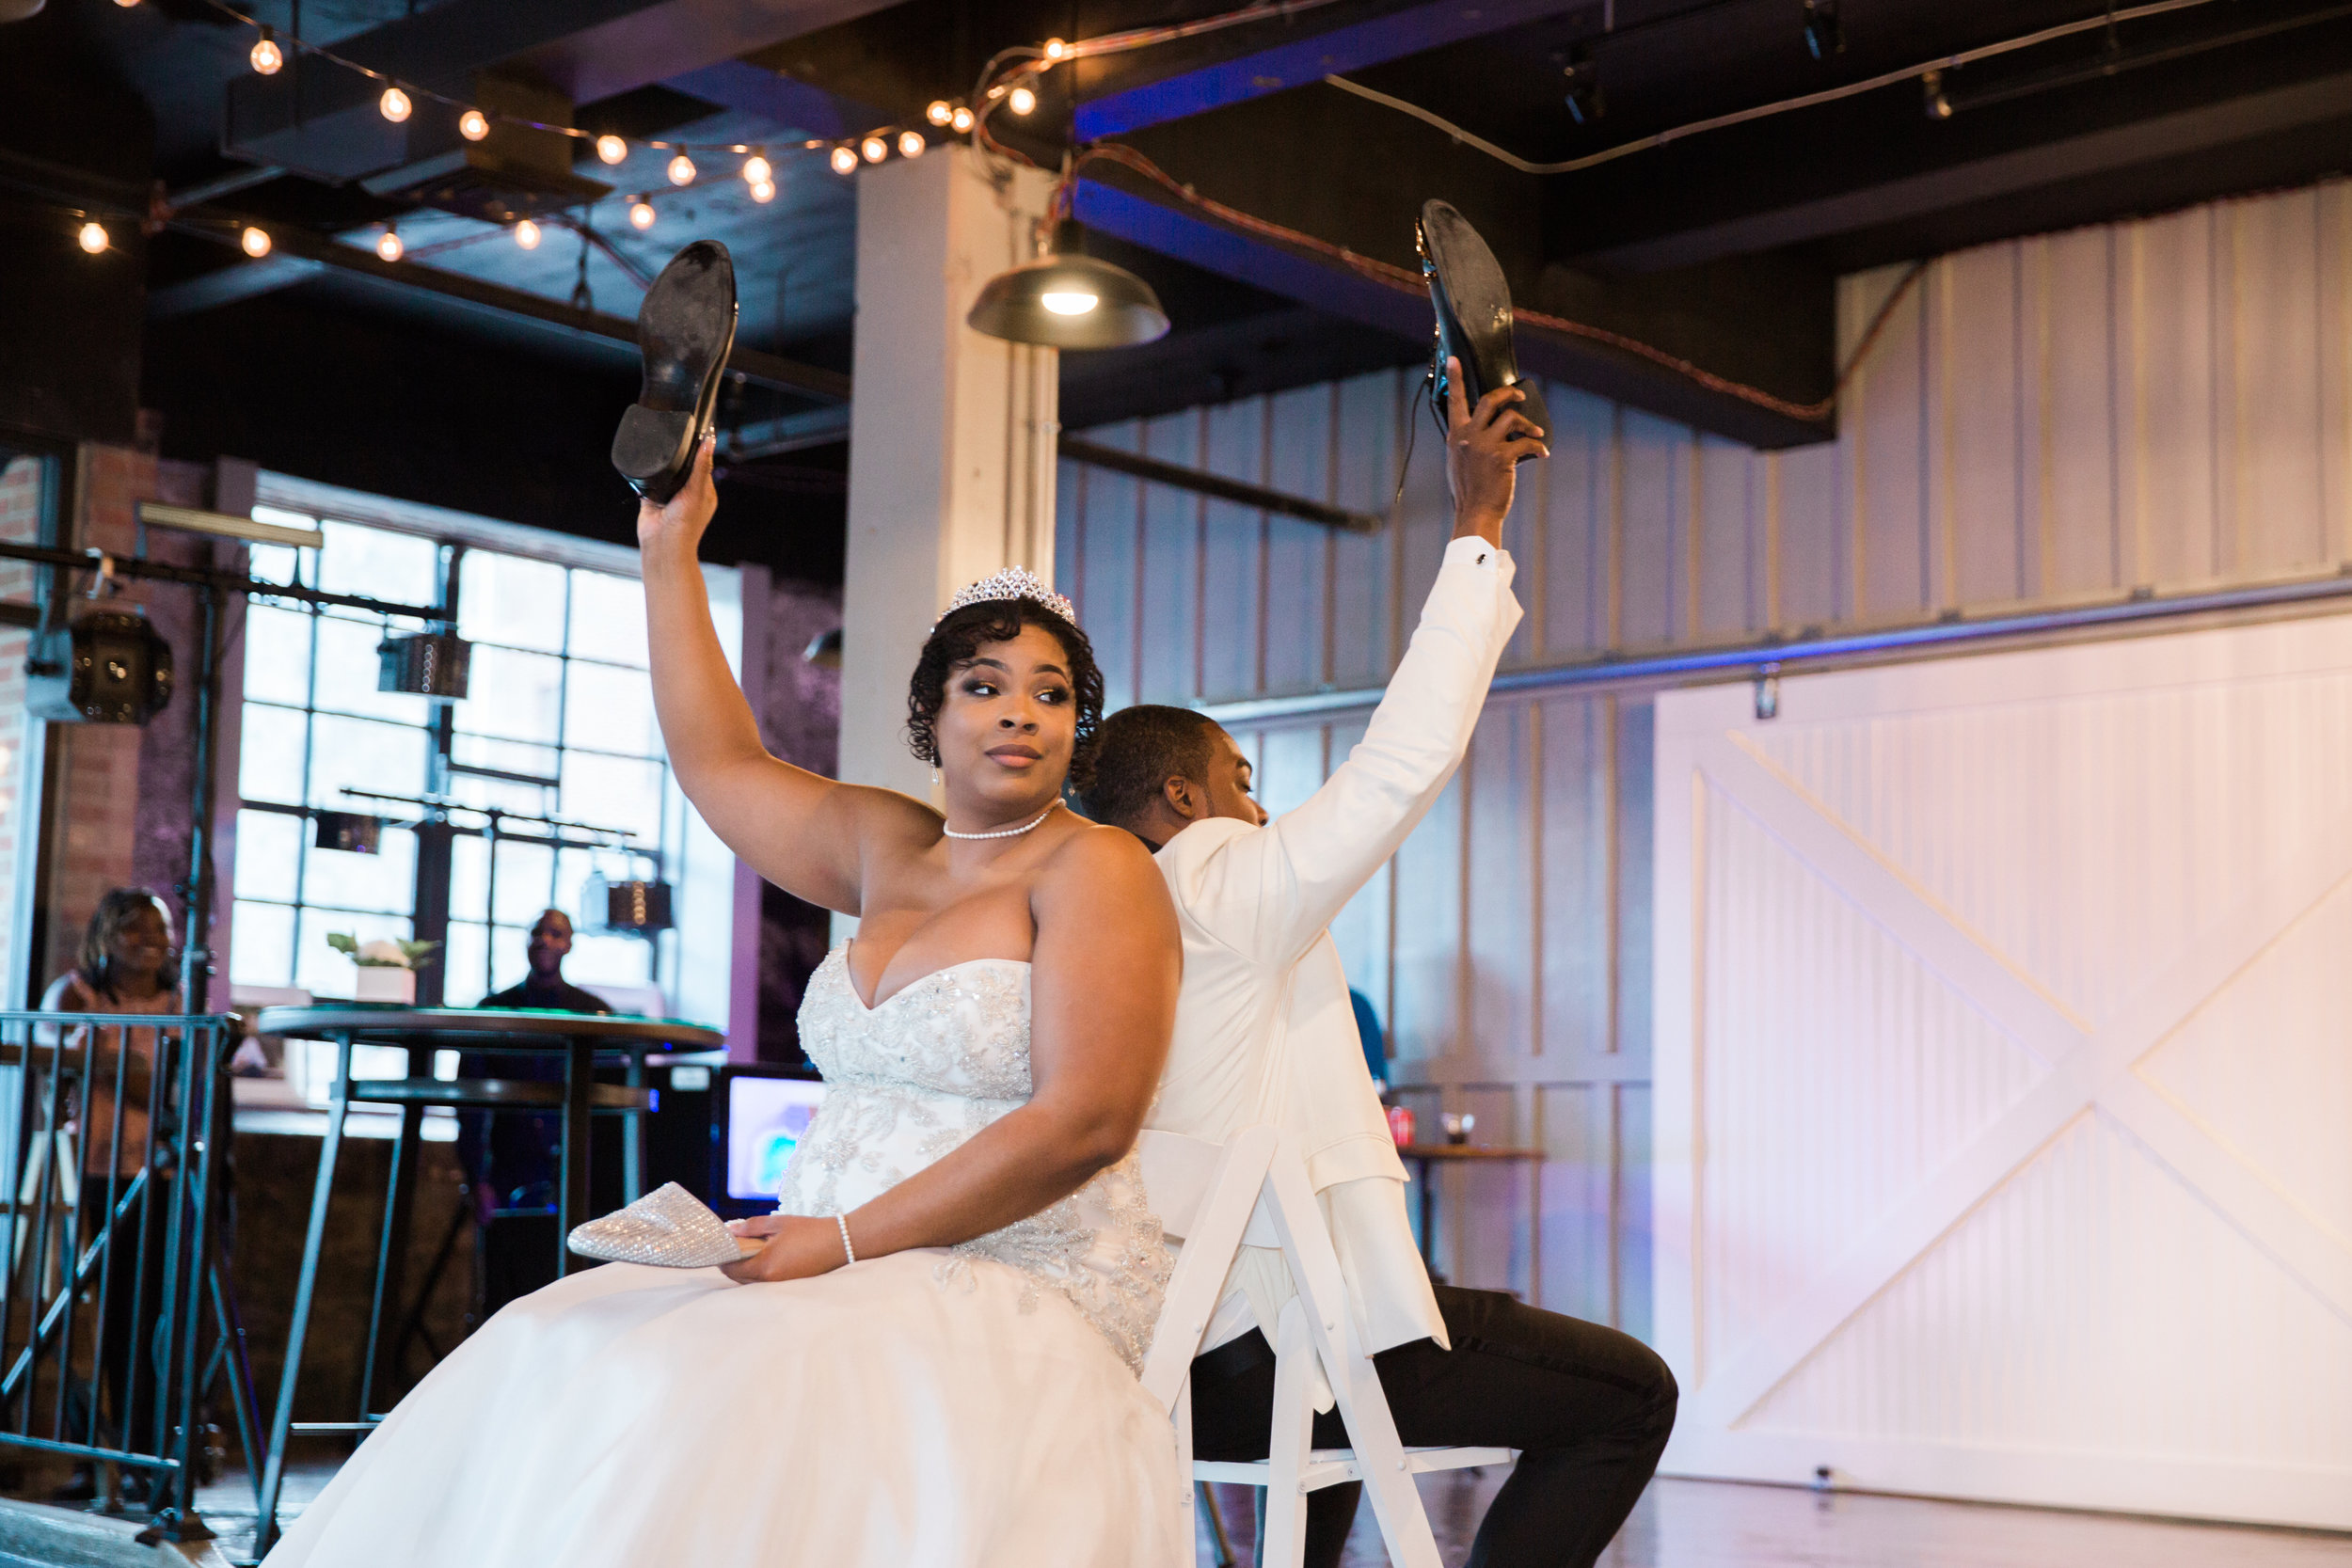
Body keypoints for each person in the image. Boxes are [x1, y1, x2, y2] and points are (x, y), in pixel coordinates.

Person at [262, 436, 1190, 1568]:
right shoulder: (883, 843)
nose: (1020, 713)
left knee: (733, 1394)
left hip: (1005, 1271)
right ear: (930, 718)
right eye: (984, 686)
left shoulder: (1096, 869)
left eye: (1052, 694)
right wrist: (670, 550)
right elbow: (714, 757)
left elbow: (1085, 1119)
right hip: (810, 1253)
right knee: (555, 1334)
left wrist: (842, 1240)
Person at [1078, 364, 1677, 1568]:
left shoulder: (1099, 917)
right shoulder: (1214, 877)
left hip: (1167, 1348)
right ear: (1185, 794)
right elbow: (1403, 760)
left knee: (1342, 1431)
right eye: (1243, 778)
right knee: (1630, 1395)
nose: (1261, 800)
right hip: (1275, 1350)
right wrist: (1476, 525)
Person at [38, 890, 182, 1482]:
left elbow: (184, 1091)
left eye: (159, 928)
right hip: (89, 1172)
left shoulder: (180, 1000)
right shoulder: (77, 994)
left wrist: (115, 1067)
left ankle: (141, 1450)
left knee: (140, 1315)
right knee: (75, 1315)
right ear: (103, 934)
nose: (148, 939)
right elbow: (49, 1056)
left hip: (157, 1173)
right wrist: (114, 1070)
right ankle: (85, 1455)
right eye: (132, 928)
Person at [458, 909, 613, 1314]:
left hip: (575, 1173)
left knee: (570, 1294)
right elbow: (470, 1107)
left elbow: (611, 1111)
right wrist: (477, 1178)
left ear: (570, 944)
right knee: (503, 1295)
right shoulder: (493, 1008)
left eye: (555, 933)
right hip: (509, 1170)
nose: (545, 941)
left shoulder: (595, 1012)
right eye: (537, 932)